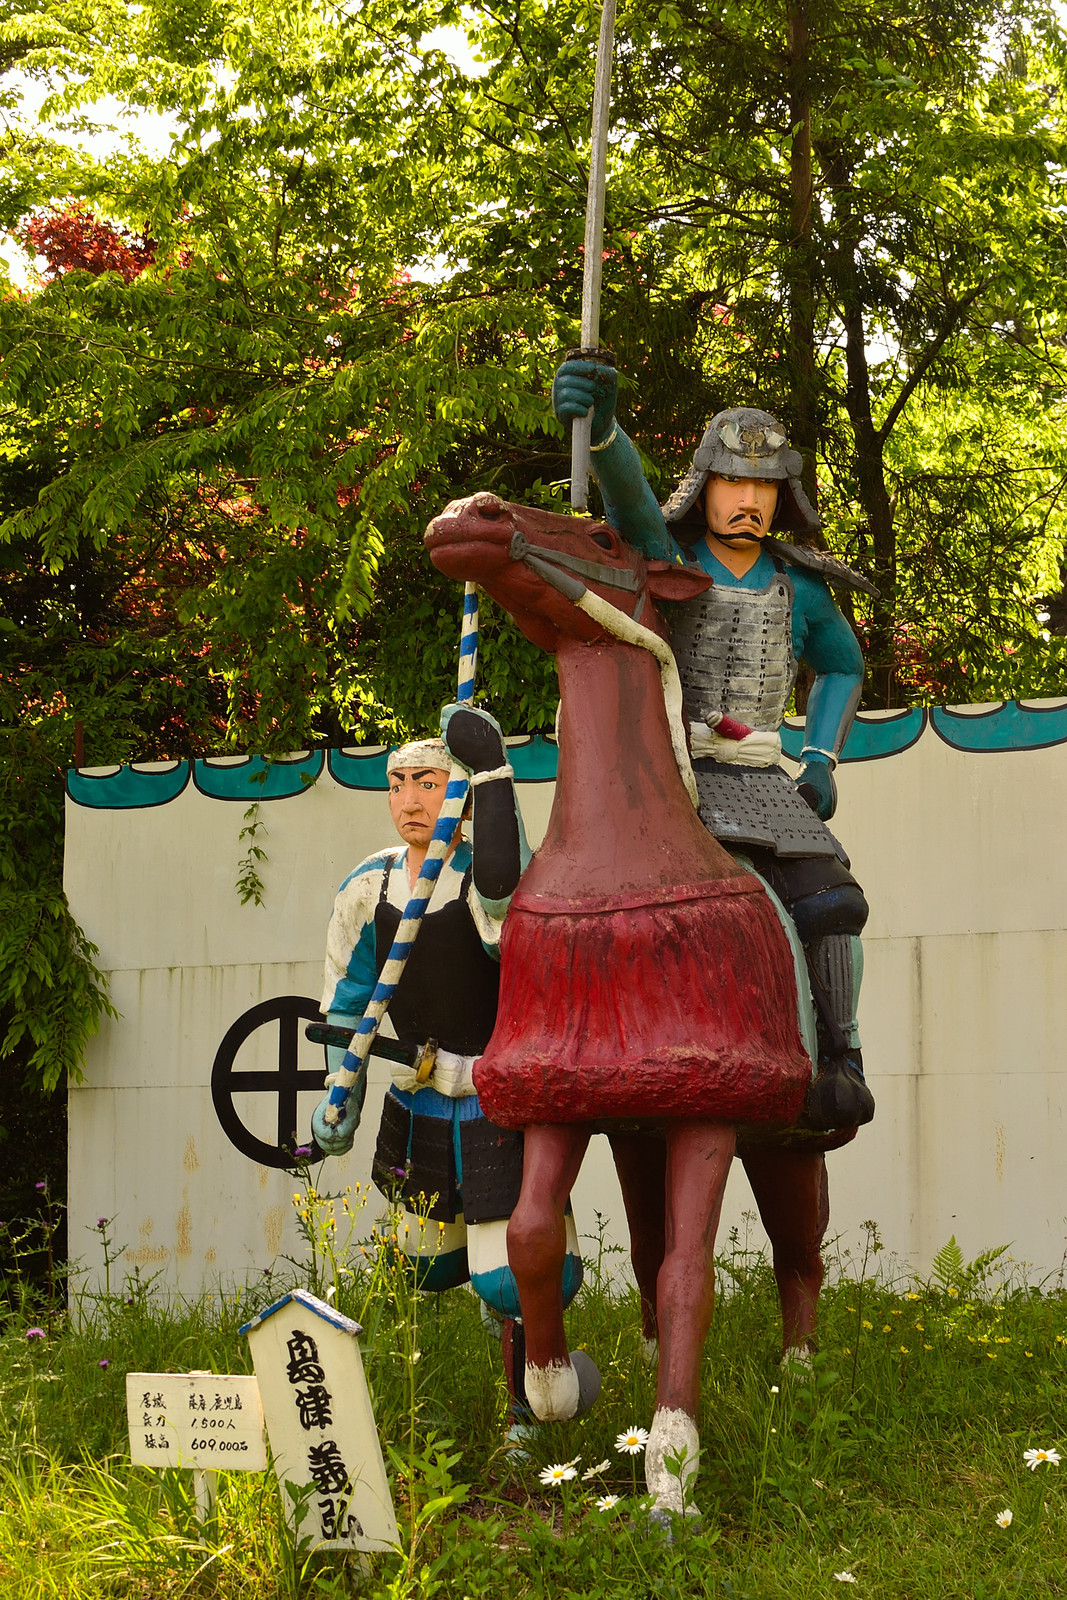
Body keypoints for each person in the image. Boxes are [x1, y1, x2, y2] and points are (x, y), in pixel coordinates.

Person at [552, 358, 875, 1131]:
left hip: (762, 779)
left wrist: (821, 758)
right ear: (704, 486)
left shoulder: (801, 586)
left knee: (834, 903)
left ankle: (840, 1055)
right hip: (672, 772)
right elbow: (630, 501)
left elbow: (841, 665)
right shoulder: (670, 559)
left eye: (764, 487)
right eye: (733, 482)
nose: (748, 501)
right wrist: (603, 430)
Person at [311, 705, 583, 1428]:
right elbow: (347, 1002)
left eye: (427, 783)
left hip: (497, 1104)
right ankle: (416, 1408)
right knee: (421, 1266)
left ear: (456, 793)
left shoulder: (485, 882)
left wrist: (491, 779)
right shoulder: (367, 888)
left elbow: (506, 908)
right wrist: (341, 1089)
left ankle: (532, 1409)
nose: (408, 799)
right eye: (397, 784)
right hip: (419, 1103)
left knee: (514, 1276)